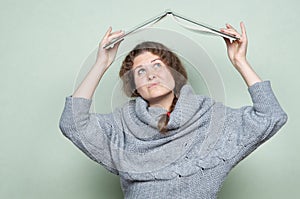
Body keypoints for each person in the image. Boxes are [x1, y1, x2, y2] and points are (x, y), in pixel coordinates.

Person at [59, 22, 287, 199]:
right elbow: (73, 123)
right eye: (140, 71)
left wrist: (240, 61)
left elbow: (271, 116)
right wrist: (101, 63)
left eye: (158, 65)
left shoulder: (212, 120)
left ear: (174, 73)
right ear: (134, 86)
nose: (150, 75)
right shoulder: (123, 126)